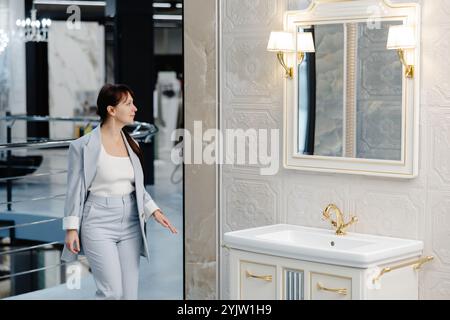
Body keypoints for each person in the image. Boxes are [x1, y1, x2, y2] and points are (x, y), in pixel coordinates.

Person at [61, 83, 177, 300]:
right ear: (111, 110)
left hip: (131, 222)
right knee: (111, 292)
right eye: (129, 104)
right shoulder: (82, 146)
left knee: (129, 295)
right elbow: (74, 190)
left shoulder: (132, 143)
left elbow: (136, 187)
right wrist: (71, 229)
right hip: (97, 221)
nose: (135, 108)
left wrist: (155, 211)